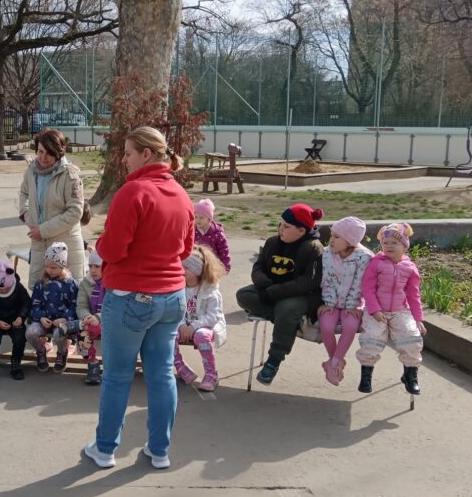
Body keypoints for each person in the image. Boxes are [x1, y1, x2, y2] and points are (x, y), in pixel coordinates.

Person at [85, 126, 194, 471]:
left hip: (131, 296)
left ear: (146, 154)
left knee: (117, 376)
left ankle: (105, 449)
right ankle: (159, 451)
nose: (124, 159)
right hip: (171, 297)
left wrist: (99, 244)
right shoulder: (180, 194)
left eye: (128, 152)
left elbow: (112, 250)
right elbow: (186, 250)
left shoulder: (133, 192)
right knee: (161, 375)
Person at [235, 203, 325, 387]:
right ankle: (288, 322)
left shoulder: (313, 248)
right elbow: (258, 267)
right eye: (280, 224)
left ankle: (274, 360)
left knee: (288, 308)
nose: (280, 229)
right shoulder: (272, 242)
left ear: (301, 231)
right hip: (271, 289)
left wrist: (274, 292)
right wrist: (264, 284)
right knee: (244, 295)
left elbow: (308, 282)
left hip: (299, 295)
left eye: (286, 226)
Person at [356, 223, 426, 395]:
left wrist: (418, 319)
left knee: (411, 338)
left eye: (394, 243)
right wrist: (374, 310)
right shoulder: (376, 263)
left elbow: (414, 295)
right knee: (371, 338)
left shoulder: (409, 268)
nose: (389, 246)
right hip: (376, 311)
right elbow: (368, 288)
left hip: (400, 311)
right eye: (385, 242)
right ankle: (366, 376)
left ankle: (410, 375)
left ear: (404, 246)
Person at [18, 129, 86, 283]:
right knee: (40, 291)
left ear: (58, 153)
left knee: (67, 292)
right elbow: (23, 193)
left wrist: (43, 230)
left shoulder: (70, 175)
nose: (43, 157)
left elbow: (75, 211)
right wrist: (25, 213)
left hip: (65, 246)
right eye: (40, 152)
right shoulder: (31, 171)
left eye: (49, 153)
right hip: (40, 246)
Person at [318, 216, 374, 386]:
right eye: (331, 235)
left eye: (336, 237)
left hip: (353, 303)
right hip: (331, 301)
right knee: (326, 326)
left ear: (350, 241)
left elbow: (359, 284)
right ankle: (335, 362)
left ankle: (333, 364)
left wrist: (352, 306)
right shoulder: (327, 253)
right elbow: (326, 279)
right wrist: (329, 303)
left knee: (350, 325)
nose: (331, 240)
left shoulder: (364, 257)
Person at [175, 245, 227, 393]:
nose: (181, 270)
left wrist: (193, 326)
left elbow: (214, 315)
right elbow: (174, 310)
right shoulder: (179, 287)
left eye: (186, 268)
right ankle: (181, 367)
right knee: (167, 334)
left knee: (201, 335)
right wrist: (181, 325)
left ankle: (211, 374)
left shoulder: (210, 290)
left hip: (207, 327)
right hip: (184, 325)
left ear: (197, 271)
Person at [26, 242, 80, 374]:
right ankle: (41, 351)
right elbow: (35, 304)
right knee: (30, 333)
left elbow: (75, 305)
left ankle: (62, 353)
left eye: (53, 267)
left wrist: (64, 318)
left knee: (58, 334)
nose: (49, 270)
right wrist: (40, 317)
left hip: (62, 322)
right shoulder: (41, 283)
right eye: (47, 266)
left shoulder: (71, 284)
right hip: (44, 321)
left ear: (63, 265)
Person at [0, 257, 31, 382]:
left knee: (20, 338)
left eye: (6, 289)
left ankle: (16, 362)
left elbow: (26, 303)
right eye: (0, 289)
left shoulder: (18, 287)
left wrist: (21, 317)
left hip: (15, 319)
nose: (3, 291)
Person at [76, 249, 105, 386]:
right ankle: (92, 364)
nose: (93, 270)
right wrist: (87, 316)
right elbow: (81, 306)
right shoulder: (85, 283)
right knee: (82, 332)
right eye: (90, 266)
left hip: (111, 321)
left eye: (97, 266)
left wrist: (98, 317)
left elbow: (116, 307)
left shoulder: (114, 283)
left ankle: (111, 366)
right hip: (92, 321)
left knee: (117, 336)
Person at [193, 199, 231, 272]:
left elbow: (224, 251)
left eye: (201, 217)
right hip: (195, 265)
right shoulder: (193, 231)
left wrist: (225, 267)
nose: (198, 220)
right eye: (196, 217)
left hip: (212, 267)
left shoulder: (217, 234)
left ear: (209, 219)